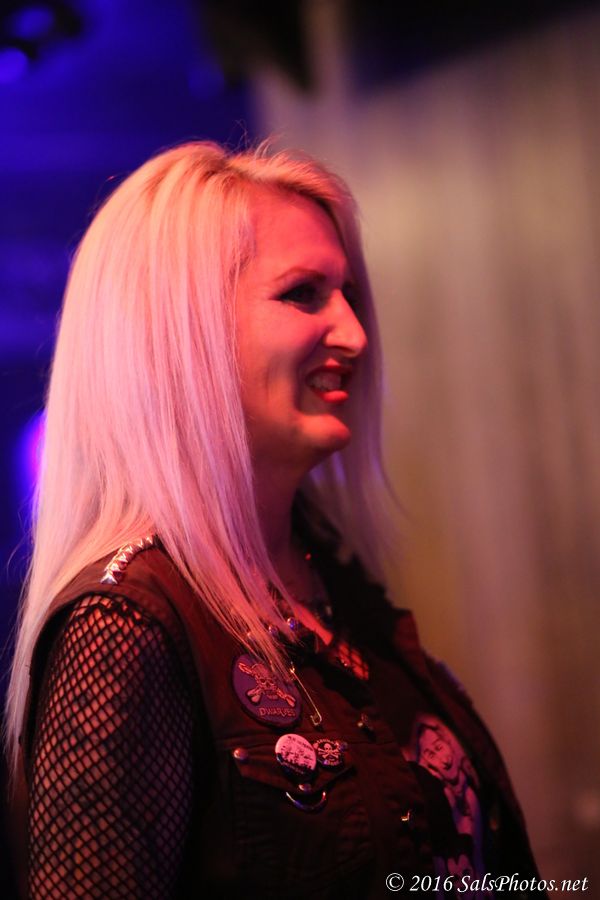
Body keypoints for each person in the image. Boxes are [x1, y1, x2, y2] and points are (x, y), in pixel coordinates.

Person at [5, 141, 543, 899]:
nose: (355, 334)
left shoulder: (333, 574)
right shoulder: (126, 626)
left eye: (347, 293)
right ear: (180, 332)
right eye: (302, 294)